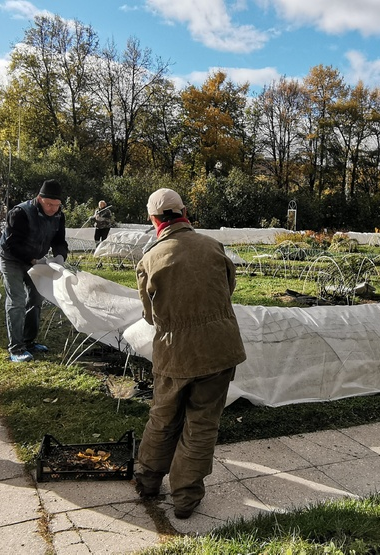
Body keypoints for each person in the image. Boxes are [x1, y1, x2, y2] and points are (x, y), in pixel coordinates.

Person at [132, 188, 246, 520]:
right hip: (219, 349)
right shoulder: (214, 246)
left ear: (154, 220)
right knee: (202, 424)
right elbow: (228, 289)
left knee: (163, 417)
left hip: (174, 353)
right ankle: (185, 498)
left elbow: (150, 315)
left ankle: (148, 480)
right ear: (184, 212)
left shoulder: (149, 260)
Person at [0, 179, 69, 362]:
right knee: (17, 301)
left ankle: (29, 342)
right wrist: (33, 260)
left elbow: (59, 241)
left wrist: (60, 257)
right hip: (12, 259)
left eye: (56, 205)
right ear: (39, 198)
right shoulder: (20, 212)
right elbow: (12, 244)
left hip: (36, 261)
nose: (53, 209)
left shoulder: (59, 216)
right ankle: (16, 348)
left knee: (36, 299)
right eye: (49, 204)